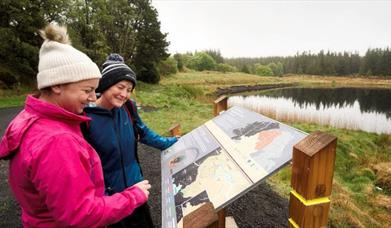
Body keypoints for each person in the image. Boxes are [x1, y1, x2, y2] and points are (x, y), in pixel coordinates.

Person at [0, 24, 151, 227]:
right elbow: (80, 215)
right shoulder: (56, 140)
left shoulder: (31, 120)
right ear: (57, 84)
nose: (91, 98)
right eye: (87, 90)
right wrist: (133, 196)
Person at [82, 53, 178, 228]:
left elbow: (144, 133)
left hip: (137, 190)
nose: (124, 94)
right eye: (120, 87)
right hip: (111, 201)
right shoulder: (85, 118)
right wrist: (101, 200)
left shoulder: (128, 108)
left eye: (129, 90)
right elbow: (84, 167)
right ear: (106, 84)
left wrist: (171, 142)